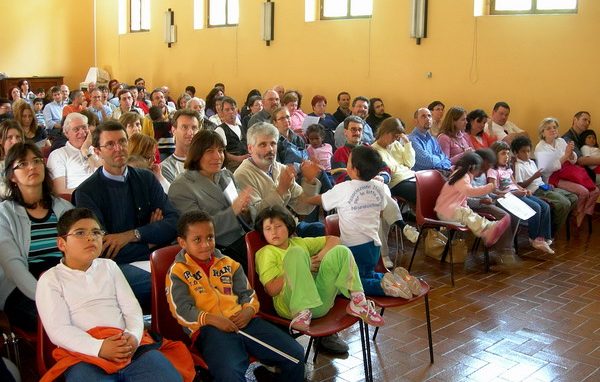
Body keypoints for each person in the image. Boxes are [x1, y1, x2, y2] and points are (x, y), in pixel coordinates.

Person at [36, 208, 192, 382]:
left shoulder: (109, 267)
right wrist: (100, 347)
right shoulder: (51, 279)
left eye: (96, 232)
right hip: (82, 354)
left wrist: (132, 336)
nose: (90, 238)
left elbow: (131, 309)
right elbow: (59, 330)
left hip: (127, 345)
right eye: (80, 233)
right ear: (61, 244)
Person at [167, 210, 305, 382]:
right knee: (230, 371)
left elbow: (249, 295)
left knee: (296, 355)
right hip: (209, 329)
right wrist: (213, 319)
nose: (206, 245)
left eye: (210, 237)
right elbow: (182, 310)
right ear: (182, 242)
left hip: (244, 321)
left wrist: (248, 311)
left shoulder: (229, 263)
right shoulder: (178, 271)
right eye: (197, 240)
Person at [74, 120, 180, 309]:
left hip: (155, 256)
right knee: (170, 284)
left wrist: (132, 235)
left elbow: (174, 222)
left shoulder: (145, 178)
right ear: (97, 151)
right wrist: (152, 238)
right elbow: (104, 248)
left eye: (123, 142)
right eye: (110, 144)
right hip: (117, 266)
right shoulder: (87, 192)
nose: (119, 148)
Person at [308, 146, 421, 297]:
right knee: (367, 274)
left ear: (353, 169)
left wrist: (306, 190)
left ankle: (384, 286)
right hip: (375, 246)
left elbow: (319, 200)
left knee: (351, 283)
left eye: (348, 161)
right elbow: (380, 213)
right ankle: (398, 279)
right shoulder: (380, 187)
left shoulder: (343, 188)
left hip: (354, 247)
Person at [255, 205, 384, 335]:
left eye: (278, 226)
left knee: (341, 251)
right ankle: (302, 311)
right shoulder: (266, 253)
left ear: (288, 227)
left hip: (319, 304)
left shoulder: (299, 242)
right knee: (296, 253)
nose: (273, 232)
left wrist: (320, 256)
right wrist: (300, 268)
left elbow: (335, 239)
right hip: (291, 308)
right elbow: (271, 290)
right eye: (268, 229)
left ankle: (358, 302)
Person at [0, 142, 73, 331]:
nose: (31, 167)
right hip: (24, 287)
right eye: (22, 164)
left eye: (36, 161)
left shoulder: (64, 208)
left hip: (66, 279)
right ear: (11, 176)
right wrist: (49, 297)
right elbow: (14, 268)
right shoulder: (4, 214)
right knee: (60, 319)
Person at [169, 130, 254, 272]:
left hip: (245, 238)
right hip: (216, 250)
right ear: (196, 154)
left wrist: (246, 210)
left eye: (220, 151)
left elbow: (245, 213)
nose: (217, 156)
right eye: (209, 151)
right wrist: (233, 210)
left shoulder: (226, 175)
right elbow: (196, 231)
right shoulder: (182, 186)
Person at [233, 122, 324, 238]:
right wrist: (280, 190)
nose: (270, 149)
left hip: (288, 227)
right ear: (250, 148)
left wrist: (309, 181)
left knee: (320, 229)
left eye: (273, 143)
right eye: (262, 145)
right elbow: (255, 217)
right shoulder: (242, 175)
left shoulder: (280, 168)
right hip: (267, 236)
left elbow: (303, 207)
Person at [488, 141, 554, 254]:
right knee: (536, 208)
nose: (507, 157)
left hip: (517, 193)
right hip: (508, 198)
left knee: (545, 206)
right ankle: (533, 238)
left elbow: (514, 184)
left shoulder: (507, 169)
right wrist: (514, 194)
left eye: (508, 154)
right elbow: (493, 190)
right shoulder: (493, 171)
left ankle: (543, 237)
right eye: (503, 153)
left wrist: (523, 189)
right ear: (495, 155)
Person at [535, 117, 599, 228]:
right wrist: (565, 156)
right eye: (548, 128)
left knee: (595, 190)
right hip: (552, 177)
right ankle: (576, 214)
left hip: (567, 172)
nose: (553, 130)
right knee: (584, 192)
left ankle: (580, 213)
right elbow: (546, 169)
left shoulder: (561, 141)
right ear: (543, 132)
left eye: (554, 127)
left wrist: (571, 154)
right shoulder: (540, 147)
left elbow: (573, 161)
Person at [435, 152, 510, 247]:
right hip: (446, 212)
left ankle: (489, 227)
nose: (479, 171)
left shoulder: (461, 174)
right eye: (479, 168)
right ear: (473, 167)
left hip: (451, 210)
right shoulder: (462, 177)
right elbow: (469, 192)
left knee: (469, 213)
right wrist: (489, 187)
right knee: (467, 214)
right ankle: (487, 230)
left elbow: (462, 197)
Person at [512, 136, 576, 236]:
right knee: (564, 203)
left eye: (528, 151)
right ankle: (552, 231)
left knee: (573, 197)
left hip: (543, 187)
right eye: (523, 152)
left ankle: (553, 222)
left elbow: (539, 180)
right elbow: (520, 185)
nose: (527, 154)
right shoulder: (518, 165)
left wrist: (546, 184)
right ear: (516, 153)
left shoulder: (531, 162)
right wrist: (533, 177)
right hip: (536, 191)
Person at [469, 149, 520, 265]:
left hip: (486, 202)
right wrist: (481, 201)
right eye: (486, 165)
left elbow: (486, 192)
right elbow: (465, 200)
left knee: (513, 213)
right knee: (505, 216)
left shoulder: (481, 174)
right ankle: (505, 253)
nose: (487, 169)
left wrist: (501, 195)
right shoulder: (467, 176)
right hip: (477, 206)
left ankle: (504, 248)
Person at [47, 112, 97, 194]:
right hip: (78, 201)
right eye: (76, 129)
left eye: (84, 127)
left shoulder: (97, 150)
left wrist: (85, 150)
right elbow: (60, 192)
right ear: (66, 133)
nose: (82, 132)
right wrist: (90, 192)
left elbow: (106, 176)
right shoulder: (58, 155)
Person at [371, 117, 417, 206]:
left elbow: (410, 163)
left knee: (431, 186)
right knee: (420, 191)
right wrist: (404, 167)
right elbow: (391, 171)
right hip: (396, 183)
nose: (395, 139)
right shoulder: (374, 150)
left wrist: (407, 143)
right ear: (385, 132)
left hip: (409, 177)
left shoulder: (395, 144)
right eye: (394, 136)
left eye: (397, 137)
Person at [161, 109, 200, 183]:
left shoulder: (207, 161)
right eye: (184, 127)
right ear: (173, 130)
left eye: (194, 128)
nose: (190, 133)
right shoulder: (166, 168)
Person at [408, 107, 451, 172]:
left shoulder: (432, 139)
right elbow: (427, 161)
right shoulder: (411, 139)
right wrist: (440, 159)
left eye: (429, 116)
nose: (428, 119)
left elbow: (446, 159)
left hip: (438, 173)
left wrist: (442, 164)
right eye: (423, 116)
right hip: (422, 178)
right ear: (415, 121)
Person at [214, 97, 249, 172]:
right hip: (232, 166)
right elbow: (221, 152)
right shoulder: (220, 130)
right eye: (227, 110)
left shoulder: (241, 127)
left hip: (247, 163)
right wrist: (239, 158)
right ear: (222, 112)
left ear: (236, 111)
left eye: (233, 109)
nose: (230, 112)